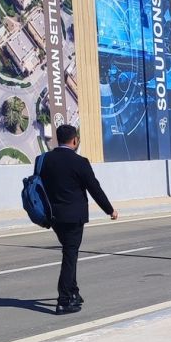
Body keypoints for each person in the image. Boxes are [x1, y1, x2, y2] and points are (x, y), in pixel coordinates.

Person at [38, 125, 118, 314]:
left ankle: (73, 292)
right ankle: (64, 300)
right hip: (73, 218)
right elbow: (94, 188)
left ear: (58, 139)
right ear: (75, 140)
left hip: (53, 217)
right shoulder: (80, 162)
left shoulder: (43, 160)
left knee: (69, 253)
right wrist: (110, 210)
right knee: (70, 257)